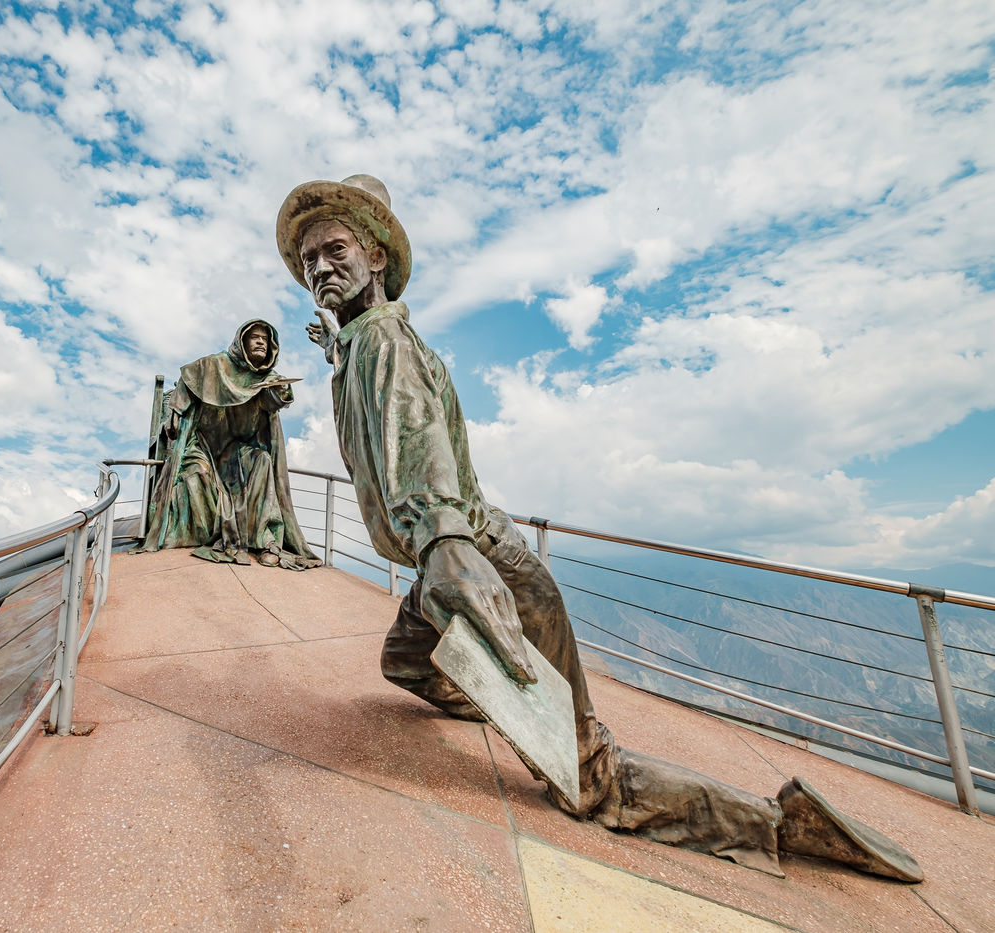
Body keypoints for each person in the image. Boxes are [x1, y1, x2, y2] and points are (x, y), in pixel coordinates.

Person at [275, 174, 922, 881]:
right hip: (444, 565)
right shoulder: (364, 343)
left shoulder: (386, 343)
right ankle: (519, 705)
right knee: (406, 660)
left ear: (375, 256)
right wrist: (334, 347)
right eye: (309, 261)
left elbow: (415, 433)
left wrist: (444, 542)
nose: (319, 269)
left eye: (335, 250)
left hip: (483, 568)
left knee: (590, 780)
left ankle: (776, 821)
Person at [142, 319, 321, 570]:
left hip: (237, 450)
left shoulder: (267, 379)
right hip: (204, 446)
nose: (261, 342)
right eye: (255, 337)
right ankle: (198, 534)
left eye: (266, 339)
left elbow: (276, 399)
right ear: (241, 341)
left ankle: (265, 541)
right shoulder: (214, 365)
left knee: (262, 460)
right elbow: (190, 377)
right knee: (196, 472)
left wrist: (282, 391)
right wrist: (176, 410)